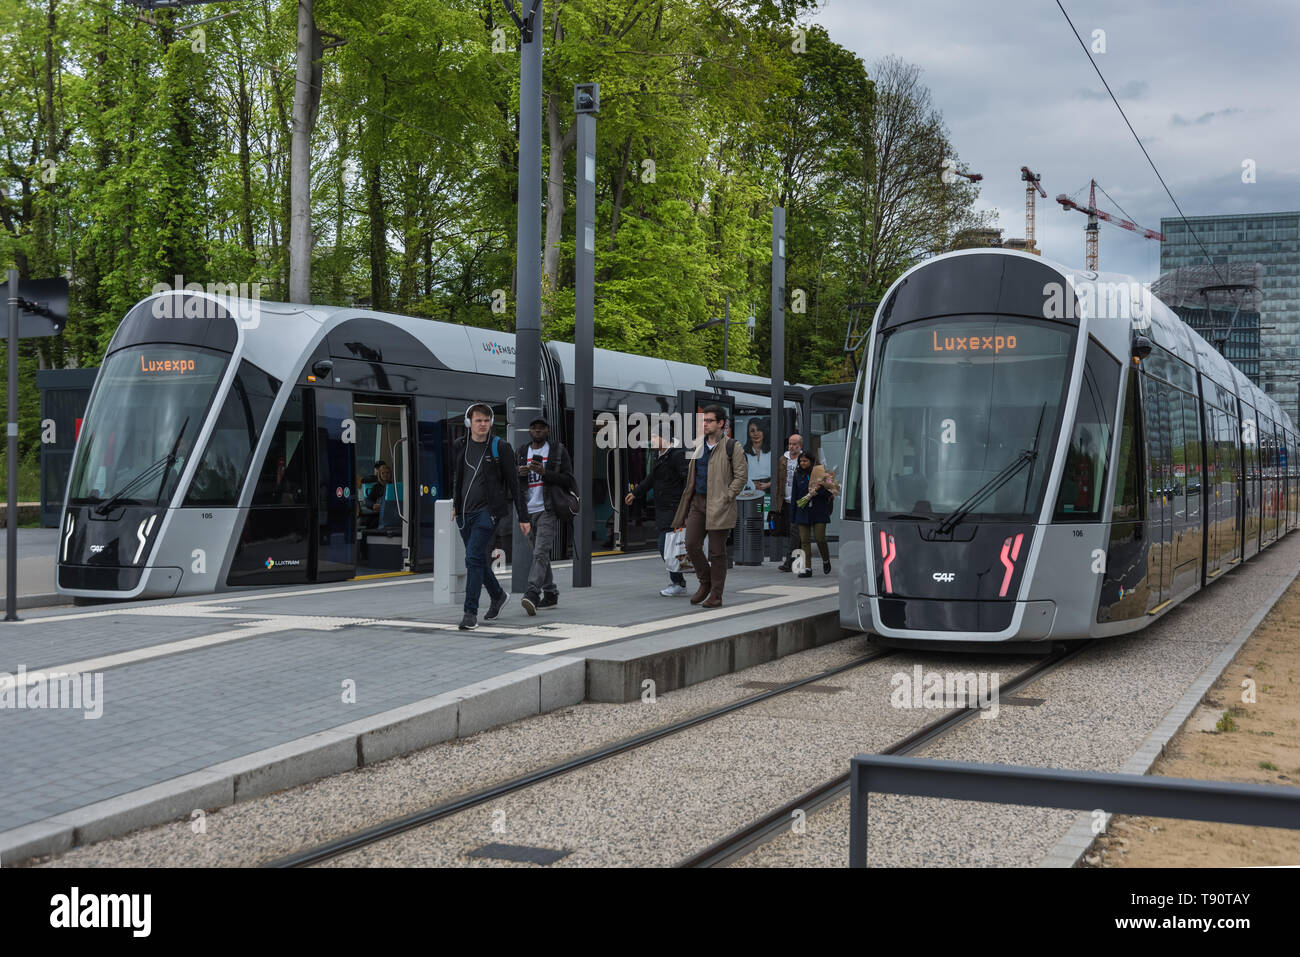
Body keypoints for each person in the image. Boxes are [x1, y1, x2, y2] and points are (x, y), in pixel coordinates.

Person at [451, 402, 530, 631]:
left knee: (473, 557)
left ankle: (470, 613)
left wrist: (523, 517)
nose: (483, 424)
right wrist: (456, 505)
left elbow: (514, 485)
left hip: (489, 513)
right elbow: (458, 478)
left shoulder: (500, 447)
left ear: (491, 422)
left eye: (486, 420)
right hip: (465, 514)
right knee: (476, 559)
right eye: (478, 420)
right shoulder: (460, 446)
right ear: (469, 423)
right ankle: (498, 595)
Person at [671, 405, 747, 608]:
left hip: (720, 504)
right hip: (698, 502)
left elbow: (741, 477)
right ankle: (705, 582)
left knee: (716, 552)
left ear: (721, 423)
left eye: (709, 421)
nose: (705, 424)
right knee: (691, 545)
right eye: (703, 421)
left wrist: (727, 496)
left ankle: (716, 594)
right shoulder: (699, 446)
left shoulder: (733, 447)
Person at [516, 417, 575, 615]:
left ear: (548, 431)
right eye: (534, 428)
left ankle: (532, 593)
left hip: (548, 509)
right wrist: (521, 473)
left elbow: (568, 479)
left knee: (540, 552)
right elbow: (514, 481)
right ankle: (550, 594)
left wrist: (544, 472)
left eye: (541, 428)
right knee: (539, 555)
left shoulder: (558, 450)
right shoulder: (522, 451)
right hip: (528, 510)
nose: (538, 431)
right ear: (529, 431)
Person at [625, 430, 689, 596]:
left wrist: (686, 507)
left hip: (674, 508)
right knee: (668, 547)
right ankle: (679, 581)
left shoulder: (677, 455)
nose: (651, 440)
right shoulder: (659, 455)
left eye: (654, 437)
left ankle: (679, 582)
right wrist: (636, 493)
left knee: (665, 545)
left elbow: (687, 480)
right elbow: (651, 478)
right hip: (664, 508)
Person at [792, 450, 837, 577]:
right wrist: (793, 516)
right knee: (804, 540)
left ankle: (826, 560)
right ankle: (807, 568)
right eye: (801, 461)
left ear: (811, 462)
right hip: (803, 511)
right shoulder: (797, 475)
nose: (802, 463)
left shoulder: (821, 474)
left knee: (820, 538)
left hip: (819, 511)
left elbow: (831, 492)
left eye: (805, 461)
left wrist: (819, 489)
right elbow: (794, 495)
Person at [771, 432, 805, 571]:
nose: (792, 447)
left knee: (794, 531)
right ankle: (800, 561)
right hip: (785, 500)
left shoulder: (805, 459)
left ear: (800, 446)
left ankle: (789, 561)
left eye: (795, 444)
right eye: (790, 444)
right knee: (792, 532)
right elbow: (779, 480)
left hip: (800, 501)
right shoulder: (783, 459)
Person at [743, 416, 772, 493]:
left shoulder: (772, 451)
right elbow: (741, 474)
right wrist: (752, 485)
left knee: (764, 506)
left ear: (764, 432)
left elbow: (779, 473)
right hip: (750, 488)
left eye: (759, 430)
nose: (756, 433)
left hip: (769, 488)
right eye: (752, 431)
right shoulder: (743, 452)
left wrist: (769, 484)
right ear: (748, 434)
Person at [359, 461, 390, 529]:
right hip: (378, 513)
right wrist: (373, 505)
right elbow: (368, 500)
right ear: (380, 475)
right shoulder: (376, 487)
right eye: (383, 473)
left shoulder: (394, 487)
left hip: (389, 514)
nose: (385, 475)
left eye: (387, 473)